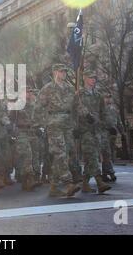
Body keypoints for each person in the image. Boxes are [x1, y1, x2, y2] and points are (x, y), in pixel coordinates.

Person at [37, 64, 81, 197]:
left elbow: (76, 106)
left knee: (65, 155)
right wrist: (39, 124)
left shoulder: (69, 88)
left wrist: (80, 122)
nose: (64, 74)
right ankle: (68, 183)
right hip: (54, 124)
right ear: (54, 72)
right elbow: (38, 107)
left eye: (65, 71)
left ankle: (54, 186)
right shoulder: (47, 89)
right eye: (61, 71)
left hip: (67, 124)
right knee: (60, 153)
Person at [76, 69, 111, 194]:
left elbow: (103, 112)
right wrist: (84, 116)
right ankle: (99, 181)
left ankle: (85, 182)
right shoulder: (79, 94)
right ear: (85, 78)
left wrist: (106, 124)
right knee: (93, 155)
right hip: (85, 129)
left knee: (91, 156)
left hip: (97, 129)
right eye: (91, 77)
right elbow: (76, 109)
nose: (93, 80)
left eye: (94, 78)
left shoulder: (98, 95)